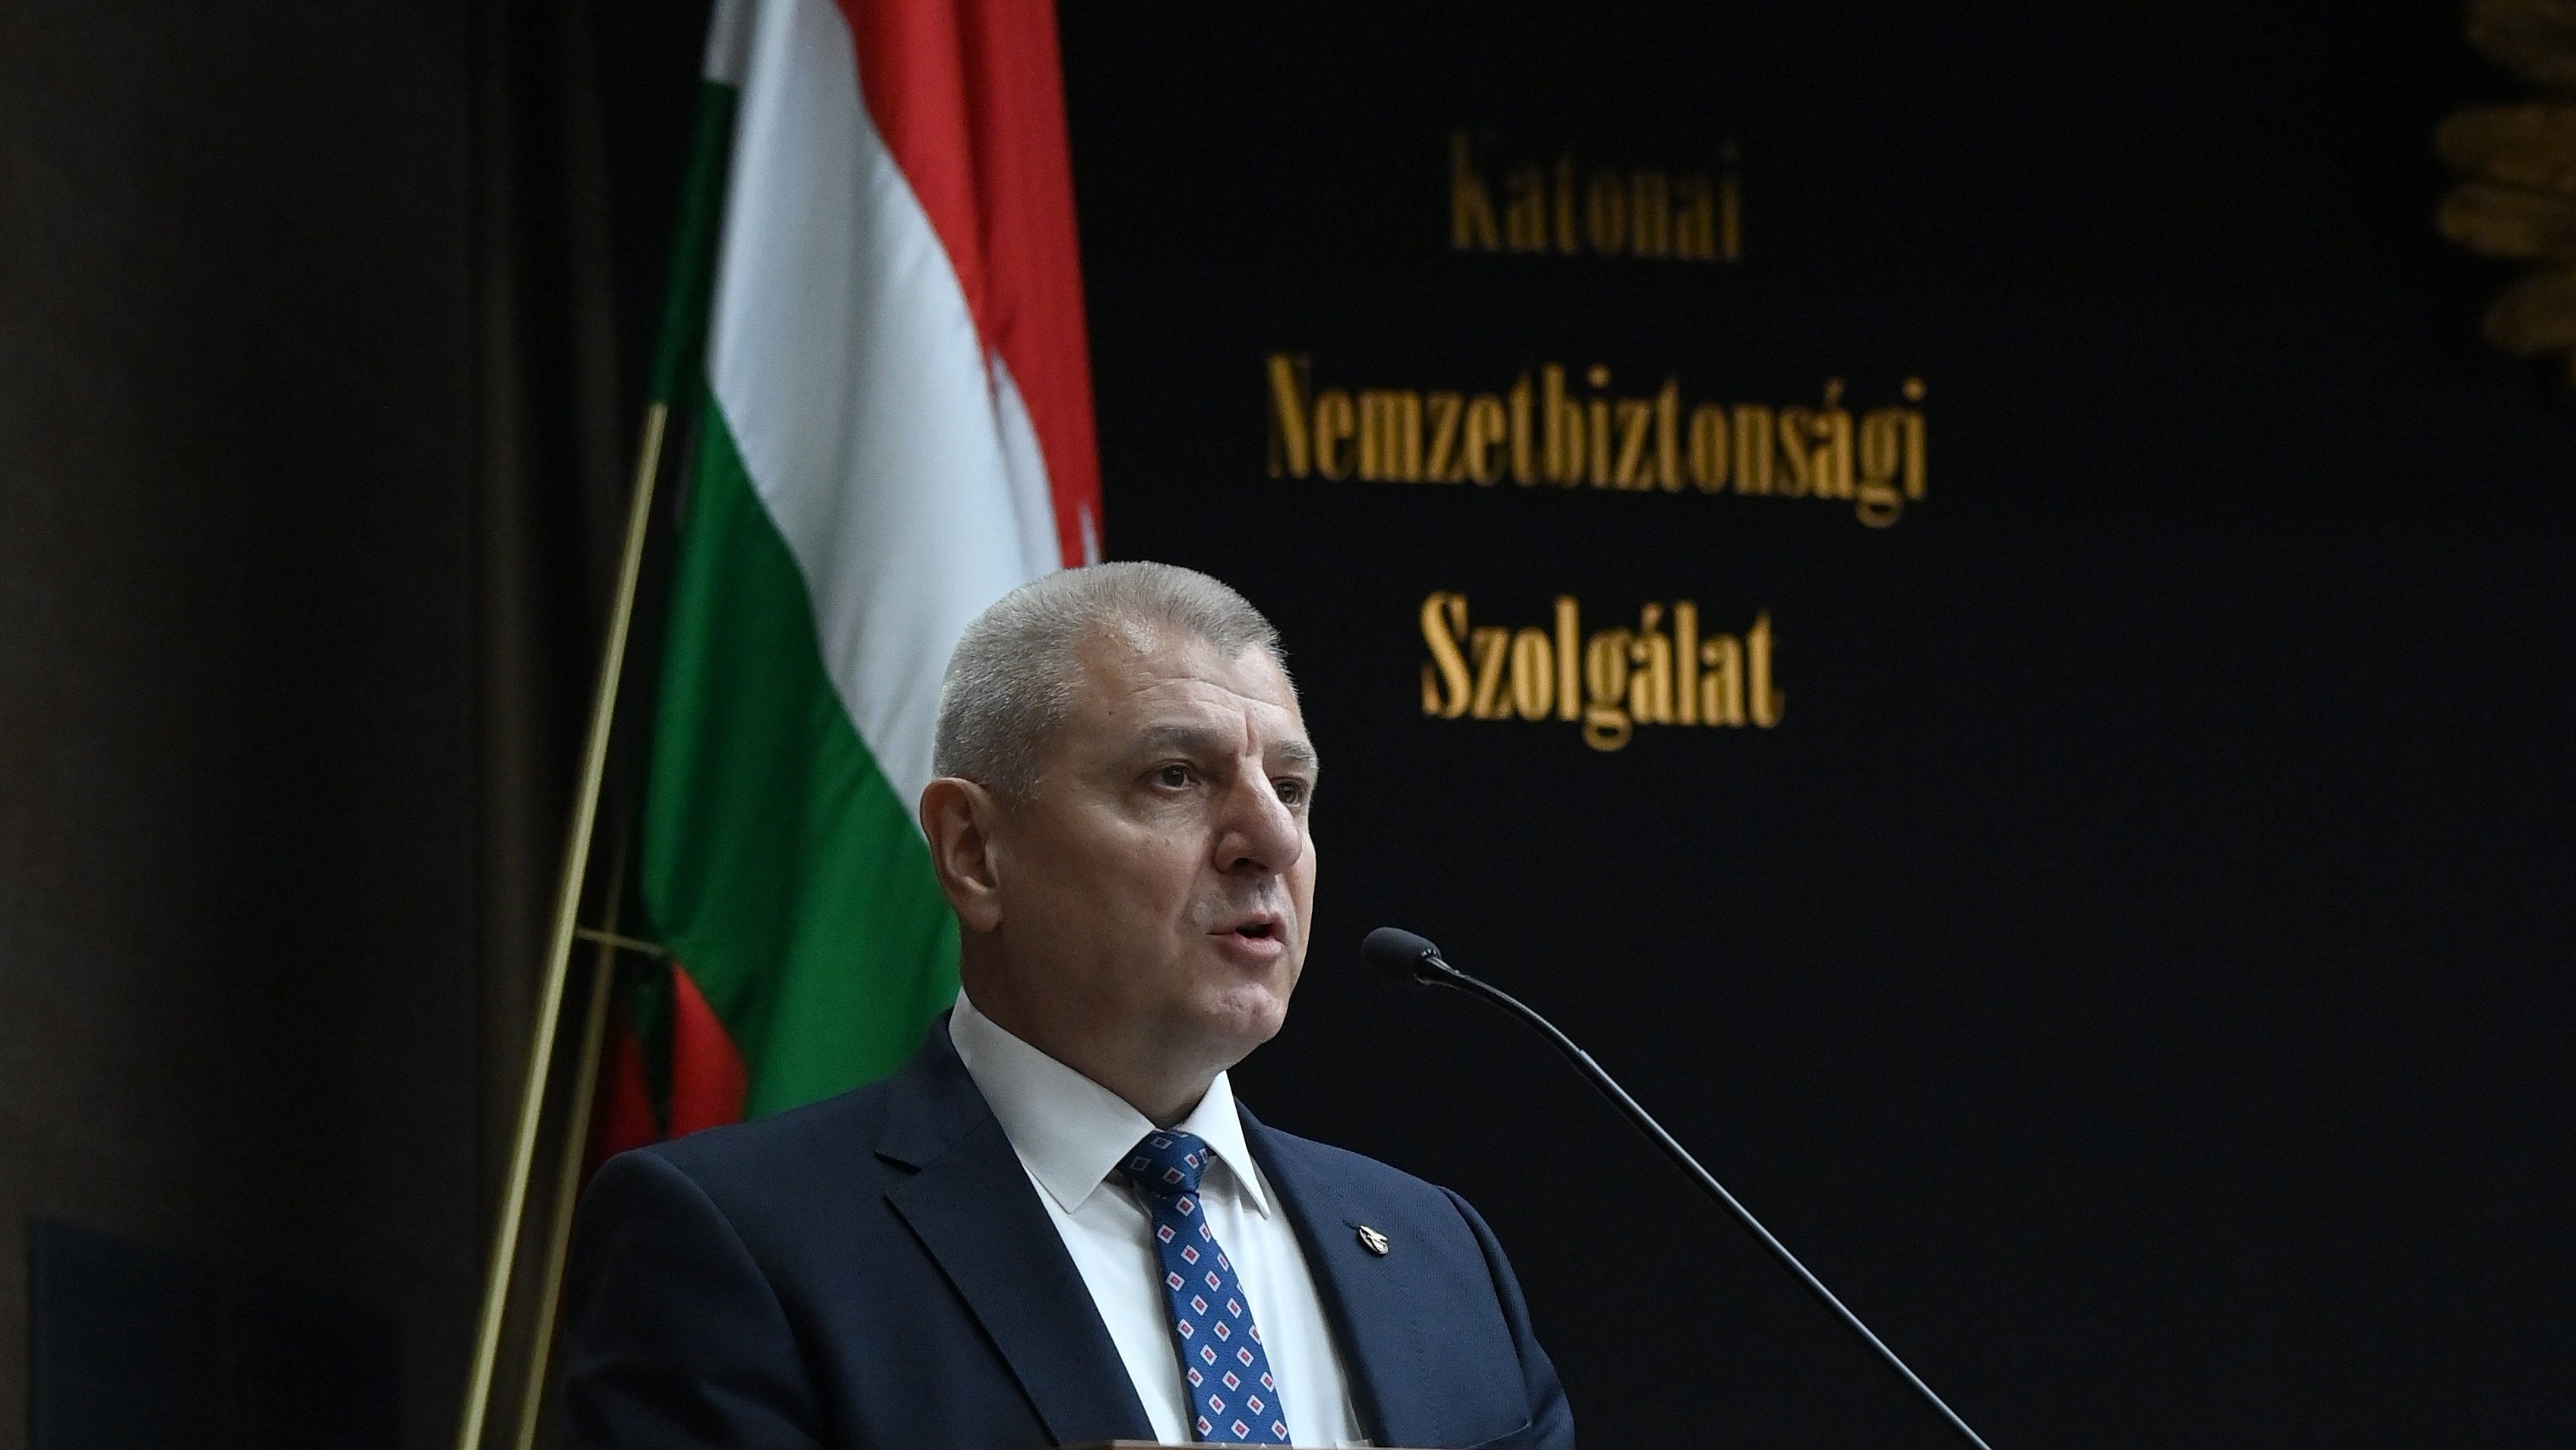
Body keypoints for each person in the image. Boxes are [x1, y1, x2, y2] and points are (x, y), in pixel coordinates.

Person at [561, 562, 1571, 1449]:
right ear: (973, 852)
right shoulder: (740, 1242)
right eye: (1175, 778)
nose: (1271, 840)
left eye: (1292, 788)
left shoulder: (1437, 1252)